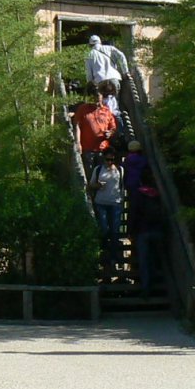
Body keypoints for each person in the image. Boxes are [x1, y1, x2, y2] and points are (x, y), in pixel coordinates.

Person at [89, 152, 125, 280]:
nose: (110, 162)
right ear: (103, 159)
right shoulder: (98, 170)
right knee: (104, 228)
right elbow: (90, 184)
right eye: (107, 159)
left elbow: (122, 186)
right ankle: (104, 251)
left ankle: (114, 257)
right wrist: (97, 185)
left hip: (115, 203)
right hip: (101, 203)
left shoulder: (120, 170)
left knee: (115, 231)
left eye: (112, 159)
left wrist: (122, 200)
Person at [73, 98, 117, 178]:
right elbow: (77, 126)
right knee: (89, 174)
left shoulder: (106, 111)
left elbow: (113, 128)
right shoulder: (83, 109)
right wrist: (78, 142)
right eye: (93, 96)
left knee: (102, 175)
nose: (96, 99)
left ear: (101, 97)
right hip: (87, 147)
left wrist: (110, 133)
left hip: (102, 148)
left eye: (98, 96)